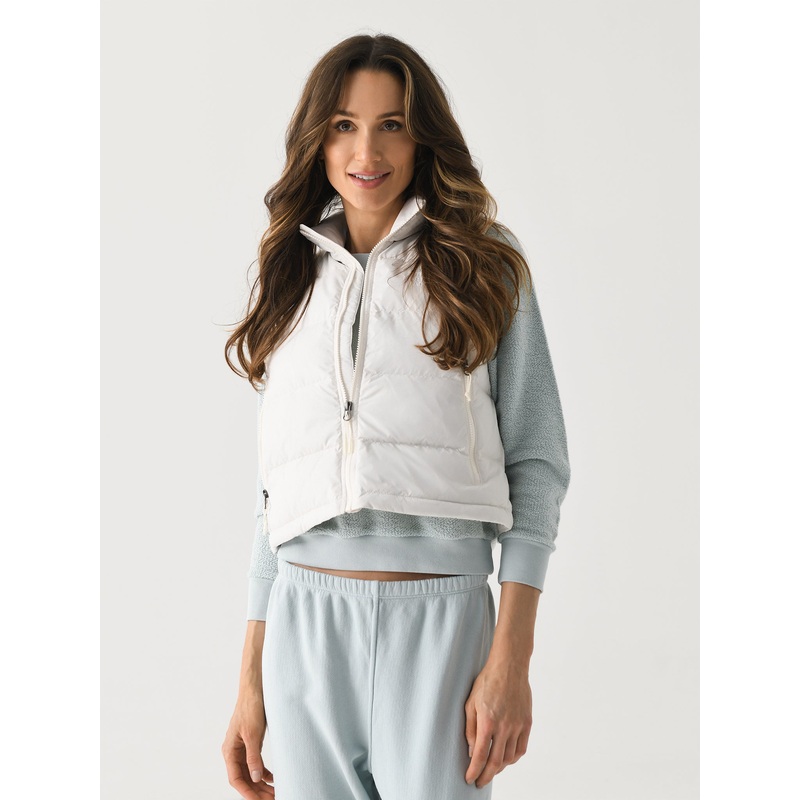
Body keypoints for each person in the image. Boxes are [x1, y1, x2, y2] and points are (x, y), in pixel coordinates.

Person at [221, 33, 571, 800]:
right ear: (318, 140)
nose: (366, 151)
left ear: (423, 139)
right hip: (304, 624)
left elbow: (538, 460)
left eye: (393, 125)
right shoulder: (290, 274)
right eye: (344, 125)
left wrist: (512, 659)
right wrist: (250, 680)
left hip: (442, 625)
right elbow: (275, 493)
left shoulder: (485, 264)